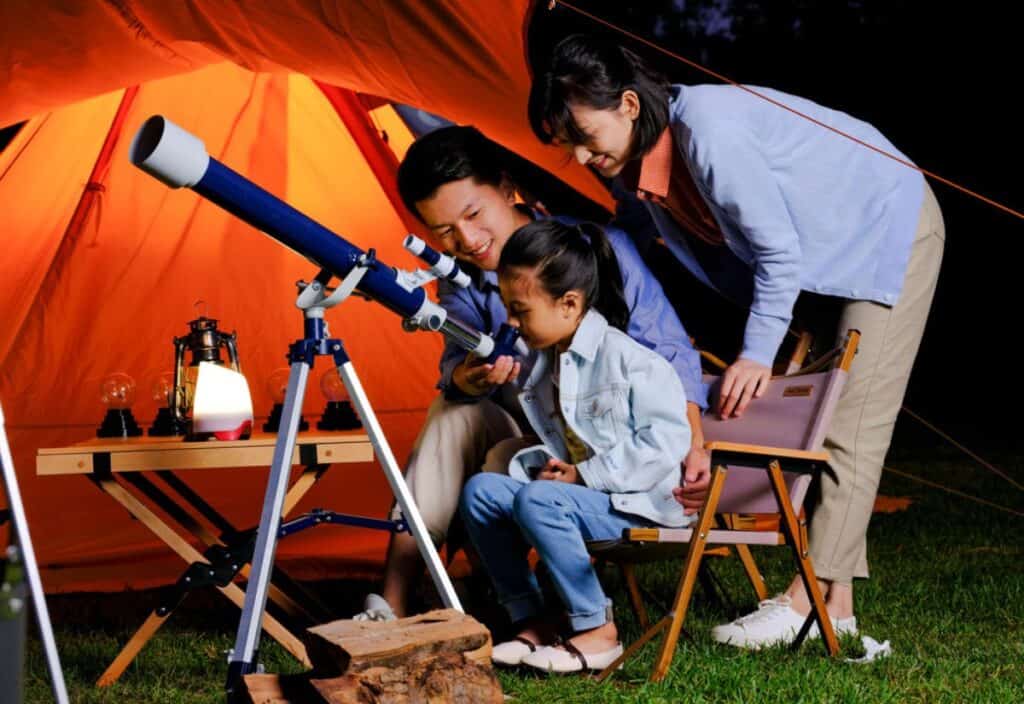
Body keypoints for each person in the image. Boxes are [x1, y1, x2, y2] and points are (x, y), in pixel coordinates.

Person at [528, 34, 944, 648]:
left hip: (890, 226)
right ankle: (840, 609)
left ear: (628, 106)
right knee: (819, 409)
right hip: (828, 249)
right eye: (571, 148)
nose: (584, 159)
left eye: (586, 139)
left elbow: (779, 252)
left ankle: (804, 599)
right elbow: (653, 242)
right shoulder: (639, 167)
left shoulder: (710, 134)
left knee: (849, 426)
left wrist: (756, 351)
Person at [354, 125, 709, 621]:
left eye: (473, 215)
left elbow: (669, 352)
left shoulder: (593, 248)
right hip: (538, 431)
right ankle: (394, 597)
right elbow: (452, 369)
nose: (469, 240)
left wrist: (693, 444)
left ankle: (514, 597)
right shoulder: (462, 284)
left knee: (497, 456)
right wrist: (468, 378)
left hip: (607, 436)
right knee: (454, 411)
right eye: (445, 233)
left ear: (505, 188)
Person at [460, 220, 691, 672]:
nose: (511, 322)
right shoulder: (547, 364)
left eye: (520, 310)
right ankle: (533, 619)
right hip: (578, 498)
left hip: (638, 503)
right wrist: (555, 470)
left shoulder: (630, 360)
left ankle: (597, 630)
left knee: (538, 498)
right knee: (482, 491)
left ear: (569, 304)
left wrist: (585, 476)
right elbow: (567, 447)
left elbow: (667, 440)